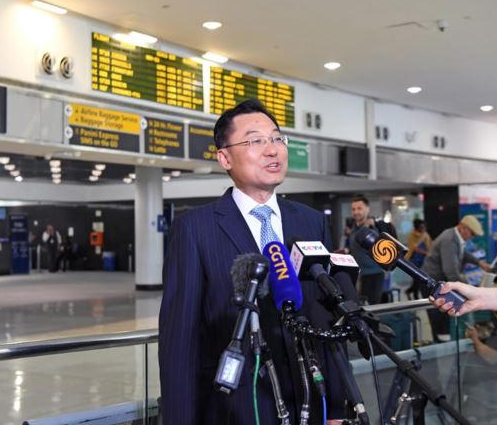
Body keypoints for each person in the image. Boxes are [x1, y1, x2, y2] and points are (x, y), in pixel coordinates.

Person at [159, 99, 347, 425]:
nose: (272, 150)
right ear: (224, 158)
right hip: (236, 409)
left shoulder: (311, 222)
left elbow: (325, 318)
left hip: (307, 402)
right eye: (255, 141)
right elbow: (180, 343)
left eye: (276, 138)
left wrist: (337, 409)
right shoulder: (195, 229)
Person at [420, 215, 491, 342]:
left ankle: (445, 338)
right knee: (438, 313)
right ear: (463, 228)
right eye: (472, 234)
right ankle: (441, 342)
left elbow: (463, 253)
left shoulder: (456, 236)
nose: (472, 237)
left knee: (443, 311)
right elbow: (450, 272)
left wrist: (480, 263)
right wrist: (468, 288)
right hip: (432, 281)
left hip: (439, 280)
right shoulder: (449, 240)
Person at [347, 194, 397, 304]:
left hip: (374, 274)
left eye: (359, 208)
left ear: (367, 209)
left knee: (372, 307)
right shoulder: (353, 228)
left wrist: (371, 225)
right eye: (353, 209)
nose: (356, 212)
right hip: (358, 275)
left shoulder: (374, 228)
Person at [404, 218, 432, 299]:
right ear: (417, 227)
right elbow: (414, 248)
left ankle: (409, 291)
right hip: (414, 260)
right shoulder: (412, 235)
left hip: (423, 260)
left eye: (424, 227)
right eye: (421, 227)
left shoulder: (425, 235)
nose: (423, 228)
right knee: (417, 278)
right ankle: (414, 295)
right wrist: (426, 253)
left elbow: (430, 245)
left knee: (418, 279)